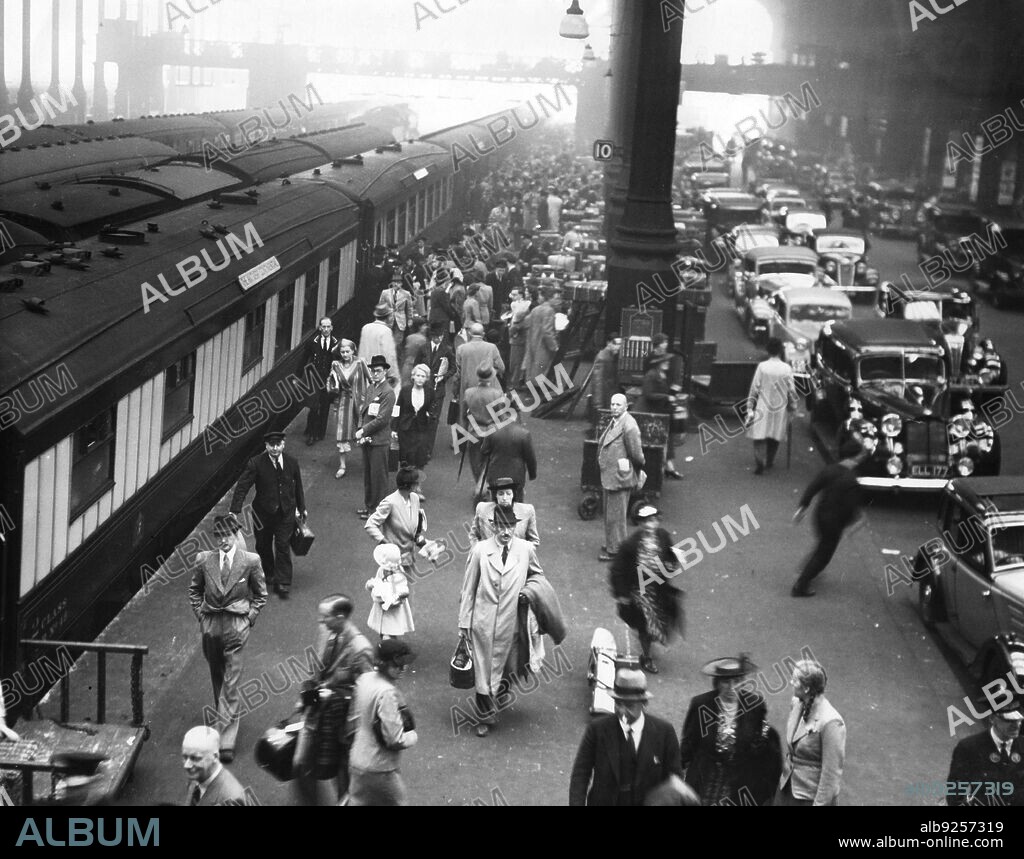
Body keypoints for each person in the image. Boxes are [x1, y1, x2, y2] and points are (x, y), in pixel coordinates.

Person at [458, 505, 544, 737]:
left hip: (513, 620)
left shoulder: (526, 549)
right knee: (483, 670)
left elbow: (537, 576)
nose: (506, 531)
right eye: (502, 526)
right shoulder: (480, 550)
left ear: (516, 527)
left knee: (509, 664)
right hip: (483, 621)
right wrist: (464, 624)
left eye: (510, 526)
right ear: (493, 526)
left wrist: (531, 593)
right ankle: (484, 717)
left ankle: (501, 691)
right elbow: (469, 589)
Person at [188, 515, 267, 760]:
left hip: (236, 626)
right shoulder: (203, 560)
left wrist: (248, 619)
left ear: (236, 536)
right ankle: (224, 723)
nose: (223, 540)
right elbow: (194, 591)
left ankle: (225, 740)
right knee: (217, 676)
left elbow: (261, 595)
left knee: (231, 682)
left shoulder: (250, 561)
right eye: (219, 536)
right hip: (211, 625)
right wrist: (201, 616)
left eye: (228, 535)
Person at [294, 594, 373, 806]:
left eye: (325, 617)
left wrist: (336, 695)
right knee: (301, 763)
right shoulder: (330, 635)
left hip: (344, 722)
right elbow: (318, 672)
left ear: (340, 616)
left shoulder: (360, 648)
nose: (321, 621)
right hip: (321, 713)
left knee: (344, 777)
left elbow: (367, 690)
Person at [568, 668, 683, 806]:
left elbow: (674, 779)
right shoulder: (597, 730)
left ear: (644, 703)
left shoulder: (664, 732)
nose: (622, 711)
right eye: (618, 703)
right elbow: (581, 774)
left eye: (629, 705)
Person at [679, 654, 783, 806]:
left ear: (742, 682)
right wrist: (678, 773)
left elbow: (760, 743)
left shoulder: (755, 705)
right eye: (726, 682)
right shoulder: (701, 705)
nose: (731, 687)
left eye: (736, 681)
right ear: (717, 683)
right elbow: (689, 742)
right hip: (705, 778)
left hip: (738, 782)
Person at [229, 432, 305, 599]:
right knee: (263, 545)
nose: (275, 448)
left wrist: (302, 507)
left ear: (283, 444)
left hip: (286, 512)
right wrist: (234, 510)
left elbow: (297, 486)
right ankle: (269, 572)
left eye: (278, 444)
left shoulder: (292, 463)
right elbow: (243, 486)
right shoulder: (256, 463)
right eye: (271, 445)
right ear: (266, 446)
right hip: (262, 514)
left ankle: (283, 582)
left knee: (282, 544)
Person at [609, 506, 684, 675]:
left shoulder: (663, 536)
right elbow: (617, 569)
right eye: (647, 521)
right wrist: (621, 594)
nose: (650, 524)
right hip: (640, 591)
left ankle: (649, 642)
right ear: (641, 523)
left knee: (660, 622)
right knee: (645, 625)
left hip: (659, 589)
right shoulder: (630, 545)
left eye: (653, 520)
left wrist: (676, 558)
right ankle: (646, 656)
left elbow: (671, 554)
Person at [792, 439, 867, 597]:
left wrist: (803, 507)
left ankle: (806, 570)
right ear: (856, 457)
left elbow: (813, 487)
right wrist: (854, 522)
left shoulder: (830, 470)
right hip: (834, 522)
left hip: (820, 515)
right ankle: (801, 584)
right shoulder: (852, 480)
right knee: (824, 555)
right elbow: (850, 507)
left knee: (822, 546)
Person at [347, 639, 419, 806]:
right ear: (384, 664)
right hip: (380, 767)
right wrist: (412, 737)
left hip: (358, 759)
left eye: (404, 664)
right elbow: (395, 739)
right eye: (397, 665)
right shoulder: (387, 693)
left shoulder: (365, 679)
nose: (402, 669)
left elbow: (354, 715)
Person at [777, 658, 846, 806]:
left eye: (794, 680)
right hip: (787, 790)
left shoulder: (831, 721)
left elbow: (831, 775)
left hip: (808, 798)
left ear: (807, 688)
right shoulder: (797, 703)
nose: (790, 683)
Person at [946, 693, 1024, 806]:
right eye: (1009, 720)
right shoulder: (969, 747)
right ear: (992, 719)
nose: (1016, 725)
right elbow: (955, 791)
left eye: (1019, 720)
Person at [597, 394, 645, 562]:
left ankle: (616, 551)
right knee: (610, 514)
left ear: (626, 407)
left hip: (620, 477)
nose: (614, 407)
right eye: (612, 404)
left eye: (618, 404)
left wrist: (634, 470)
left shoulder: (630, 426)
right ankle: (612, 544)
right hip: (611, 475)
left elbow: (637, 456)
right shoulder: (616, 421)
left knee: (616, 517)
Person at [745, 337, 798, 474]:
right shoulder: (786, 369)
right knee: (775, 434)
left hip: (763, 404)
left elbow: (754, 388)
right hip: (779, 407)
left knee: (759, 435)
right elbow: (791, 390)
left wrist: (750, 406)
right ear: (781, 351)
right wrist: (793, 406)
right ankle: (770, 460)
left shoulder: (762, 367)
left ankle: (759, 460)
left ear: (768, 350)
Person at [365, 466, 428, 579]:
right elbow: (371, 525)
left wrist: (420, 539)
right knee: (393, 593)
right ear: (409, 485)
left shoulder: (414, 498)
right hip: (392, 562)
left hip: (408, 558)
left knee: (407, 591)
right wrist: (384, 542)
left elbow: (414, 526)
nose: (419, 485)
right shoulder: (390, 502)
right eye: (416, 483)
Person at [355, 356, 398, 521]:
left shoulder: (388, 392)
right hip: (368, 439)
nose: (374, 374)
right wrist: (361, 429)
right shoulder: (372, 387)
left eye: (378, 371)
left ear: (385, 371)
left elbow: (382, 419)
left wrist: (363, 431)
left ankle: (378, 511)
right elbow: (363, 411)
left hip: (379, 440)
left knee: (379, 477)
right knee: (369, 475)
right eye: (372, 371)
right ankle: (369, 506)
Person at [326, 340, 370, 480]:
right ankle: (342, 465)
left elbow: (370, 379)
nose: (345, 354)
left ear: (353, 351)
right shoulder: (336, 365)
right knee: (342, 433)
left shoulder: (360, 363)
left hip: (360, 403)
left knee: (363, 432)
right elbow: (331, 384)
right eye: (342, 352)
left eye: (347, 351)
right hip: (342, 403)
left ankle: (368, 463)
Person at [637, 353, 683, 480]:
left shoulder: (662, 375)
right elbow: (648, 394)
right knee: (652, 440)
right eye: (665, 361)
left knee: (666, 437)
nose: (668, 362)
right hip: (647, 412)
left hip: (658, 411)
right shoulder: (651, 375)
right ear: (658, 364)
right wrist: (666, 397)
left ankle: (669, 467)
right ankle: (655, 469)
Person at [479, 407, 537, 501]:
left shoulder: (492, 430)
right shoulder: (524, 434)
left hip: (495, 473)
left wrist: (482, 465)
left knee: (496, 500)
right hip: (516, 475)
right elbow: (530, 458)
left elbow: (484, 450)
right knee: (517, 502)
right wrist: (532, 474)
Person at [182, 726, 248, 806]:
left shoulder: (231, 798)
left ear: (215, 757)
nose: (187, 765)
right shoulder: (197, 775)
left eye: (195, 758)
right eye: (185, 757)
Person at [462, 364, 504, 483]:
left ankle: (478, 484)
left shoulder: (469, 392)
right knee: (489, 462)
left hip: (474, 431)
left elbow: (464, 414)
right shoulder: (497, 394)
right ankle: (484, 486)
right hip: (492, 431)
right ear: (491, 378)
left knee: (475, 462)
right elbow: (501, 416)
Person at [469, 477, 539, 547]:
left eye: (508, 494)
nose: (504, 498)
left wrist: (521, 553)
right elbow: (473, 535)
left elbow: (534, 541)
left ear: (513, 495)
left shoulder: (527, 511)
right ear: (496, 495)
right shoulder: (482, 509)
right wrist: (480, 551)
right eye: (501, 494)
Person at [303, 318, 340, 446]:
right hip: (315, 378)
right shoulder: (312, 343)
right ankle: (312, 434)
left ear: (331, 328)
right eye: (323, 327)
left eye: (328, 326)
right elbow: (304, 360)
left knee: (324, 405)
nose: (325, 329)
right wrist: (297, 377)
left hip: (328, 379)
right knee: (314, 405)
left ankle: (320, 433)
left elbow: (340, 362)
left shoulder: (336, 343)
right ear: (319, 328)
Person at [364, 543, 414, 639]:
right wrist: (373, 584)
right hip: (381, 603)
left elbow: (403, 591)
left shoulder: (399, 575)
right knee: (383, 628)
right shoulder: (381, 570)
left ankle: (390, 645)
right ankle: (386, 642)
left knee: (390, 629)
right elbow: (377, 580)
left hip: (393, 607)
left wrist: (393, 596)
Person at [395, 365, 435, 469]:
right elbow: (397, 409)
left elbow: (433, 407)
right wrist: (394, 429)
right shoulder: (405, 390)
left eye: (423, 376)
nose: (420, 378)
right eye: (418, 375)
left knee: (420, 458)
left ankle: (417, 484)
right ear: (413, 376)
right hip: (406, 429)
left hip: (421, 429)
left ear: (426, 378)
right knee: (406, 459)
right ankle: (404, 484)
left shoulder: (430, 391)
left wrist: (430, 414)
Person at [455, 323, 505, 407]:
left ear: (470, 334)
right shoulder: (492, 347)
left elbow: (458, 373)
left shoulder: (461, 349)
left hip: (468, 386)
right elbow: (501, 368)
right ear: (483, 334)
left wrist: (455, 390)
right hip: (488, 385)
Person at [521, 286, 561, 382]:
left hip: (532, 345)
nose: (558, 301)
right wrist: (554, 347)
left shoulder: (536, 309)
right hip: (543, 347)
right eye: (556, 298)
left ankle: (532, 393)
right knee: (543, 373)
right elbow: (547, 331)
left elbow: (526, 323)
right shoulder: (550, 311)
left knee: (533, 372)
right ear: (550, 298)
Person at [358, 304, 399, 388]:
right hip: (379, 373)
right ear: (388, 317)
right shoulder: (386, 331)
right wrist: (392, 374)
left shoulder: (365, 328)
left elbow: (361, 349)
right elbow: (389, 354)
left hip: (363, 371)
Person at [379, 273, 415, 359]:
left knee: (398, 341)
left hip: (400, 321)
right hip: (388, 320)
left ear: (401, 284)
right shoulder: (385, 292)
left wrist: (410, 319)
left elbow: (409, 308)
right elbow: (381, 306)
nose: (396, 284)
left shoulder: (406, 294)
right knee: (386, 340)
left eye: (398, 282)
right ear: (391, 283)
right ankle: (387, 357)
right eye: (394, 282)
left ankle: (394, 358)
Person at [589, 333, 622, 418]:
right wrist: (598, 403)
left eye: (619, 344)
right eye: (615, 344)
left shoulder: (612, 356)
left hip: (609, 395)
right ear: (609, 343)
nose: (618, 347)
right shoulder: (602, 357)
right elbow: (597, 381)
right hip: (604, 396)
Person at [399, 316, 429, 386]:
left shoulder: (409, 338)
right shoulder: (423, 339)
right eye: (424, 325)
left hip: (407, 366)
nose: (426, 327)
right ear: (419, 327)